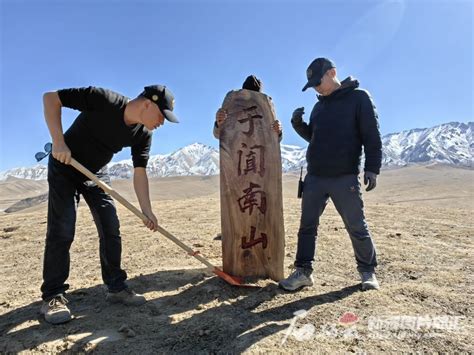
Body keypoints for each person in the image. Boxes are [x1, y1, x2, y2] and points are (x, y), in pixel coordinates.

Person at [40, 85, 179, 324]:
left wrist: (147, 210)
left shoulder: (143, 134)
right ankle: (52, 296)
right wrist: (58, 142)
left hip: (95, 174)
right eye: (161, 115)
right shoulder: (104, 99)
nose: (161, 123)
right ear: (148, 104)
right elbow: (51, 98)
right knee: (62, 230)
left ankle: (116, 287)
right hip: (65, 166)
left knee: (110, 227)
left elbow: (139, 173)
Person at [278, 58, 382, 292]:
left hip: (344, 175)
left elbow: (372, 135)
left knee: (356, 226)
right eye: (311, 84)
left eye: (317, 81)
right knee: (307, 226)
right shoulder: (319, 107)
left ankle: (367, 271)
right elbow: (315, 138)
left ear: (332, 72)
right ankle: (303, 271)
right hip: (315, 176)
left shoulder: (359, 98)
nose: (315, 87)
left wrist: (373, 168)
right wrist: (298, 125)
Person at [213, 75, 282, 139]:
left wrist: (278, 131)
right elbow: (219, 135)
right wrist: (219, 123)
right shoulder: (233, 113)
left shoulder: (265, 114)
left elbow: (273, 141)